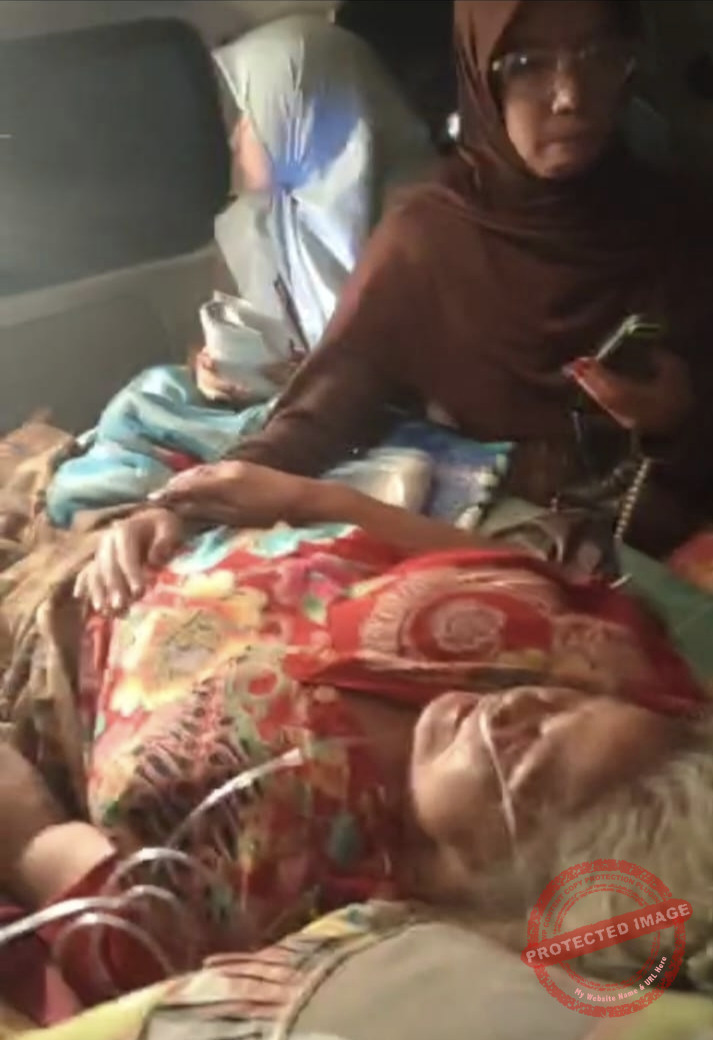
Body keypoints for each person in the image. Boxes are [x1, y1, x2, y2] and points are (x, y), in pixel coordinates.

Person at [0, 494, 707, 1011]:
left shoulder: (238, 908)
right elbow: (505, 562)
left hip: (34, 642)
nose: (511, 708)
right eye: (561, 705)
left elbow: (31, 836)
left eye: (522, 772)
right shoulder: (626, 678)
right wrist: (285, 498)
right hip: (156, 527)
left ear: (484, 893)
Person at [142, 0, 713, 566]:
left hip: (650, 538)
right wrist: (183, 508)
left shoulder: (682, 226)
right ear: (479, 74)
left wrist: (676, 423)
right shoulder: (430, 236)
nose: (570, 95)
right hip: (491, 536)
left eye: (598, 55)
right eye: (527, 64)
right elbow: (322, 412)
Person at [43, 14, 434, 526]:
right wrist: (209, 368)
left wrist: (311, 380)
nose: (233, 139)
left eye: (248, 116)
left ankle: (149, 499)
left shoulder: (419, 229)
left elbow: (411, 380)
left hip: (346, 419)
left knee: (146, 414)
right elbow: (236, 323)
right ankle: (136, 495)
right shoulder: (261, 219)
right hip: (277, 401)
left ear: (303, 111)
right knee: (155, 389)